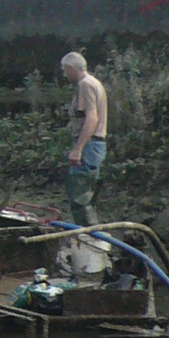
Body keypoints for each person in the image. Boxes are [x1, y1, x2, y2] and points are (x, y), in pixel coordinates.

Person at [60, 51, 108, 227]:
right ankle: (92, 237)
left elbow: (92, 118)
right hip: (96, 146)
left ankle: (89, 238)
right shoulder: (95, 83)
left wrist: (78, 149)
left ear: (71, 68)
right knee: (88, 198)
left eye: (65, 70)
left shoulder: (85, 85)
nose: (65, 75)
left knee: (79, 198)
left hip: (89, 146)